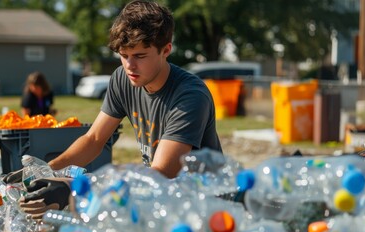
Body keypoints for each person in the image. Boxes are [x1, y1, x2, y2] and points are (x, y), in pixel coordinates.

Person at [12, 0, 223, 216]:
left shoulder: (190, 95)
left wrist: (75, 187)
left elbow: (162, 172)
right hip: (159, 195)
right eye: (124, 56)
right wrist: (47, 170)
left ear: (166, 49)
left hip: (203, 204)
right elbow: (94, 139)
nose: (130, 66)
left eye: (140, 56)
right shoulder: (123, 79)